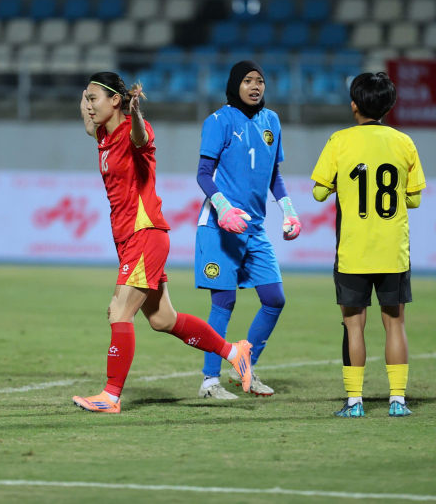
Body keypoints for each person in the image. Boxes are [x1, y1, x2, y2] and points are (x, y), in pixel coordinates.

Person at [72, 72, 253, 414]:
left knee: (119, 313)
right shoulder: (101, 134)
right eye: (87, 98)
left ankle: (110, 396)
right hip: (129, 239)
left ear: (115, 102)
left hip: (145, 234)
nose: (88, 105)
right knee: (162, 320)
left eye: (94, 98)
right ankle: (234, 352)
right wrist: (88, 94)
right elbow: (87, 118)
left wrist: (135, 113)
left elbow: (139, 136)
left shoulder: (135, 130)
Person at [310, 72, 426, 418]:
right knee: (395, 323)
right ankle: (397, 400)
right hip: (393, 250)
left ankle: (356, 401)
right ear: (388, 106)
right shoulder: (404, 142)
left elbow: (318, 192)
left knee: (354, 325)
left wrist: (338, 187)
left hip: (353, 251)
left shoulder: (339, 141)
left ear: (354, 105)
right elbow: (415, 200)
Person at [194, 60, 301, 400]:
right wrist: (223, 207)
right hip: (219, 226)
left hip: (254, 229)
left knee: (274, 298)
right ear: (235, 85)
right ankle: (209, 382)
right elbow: (203, 174)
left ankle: (245, 365)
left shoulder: (272, 122)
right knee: (224, 301)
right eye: (248, 81)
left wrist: (288, 209)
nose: (255, 86)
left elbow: (273, 175)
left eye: (260, 81)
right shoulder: (218, 121)